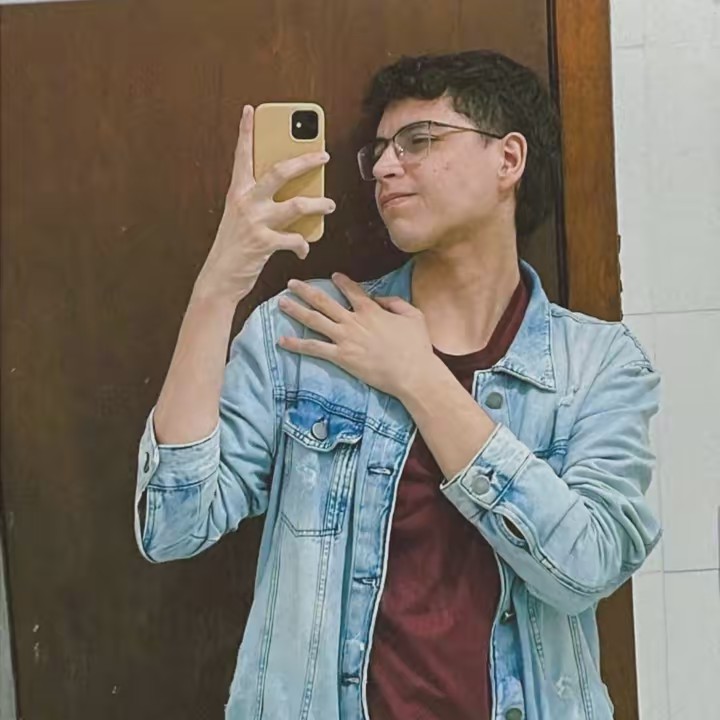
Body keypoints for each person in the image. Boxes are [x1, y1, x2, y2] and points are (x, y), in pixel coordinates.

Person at [134, 50, 661, 720]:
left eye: (419, 140)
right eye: (379, 150)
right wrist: (221, 282)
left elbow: (586, 568)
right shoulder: (306, 332)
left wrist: (419, 379)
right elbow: (173, 527)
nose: (385, 167)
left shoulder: (600, 364)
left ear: (508, 159)